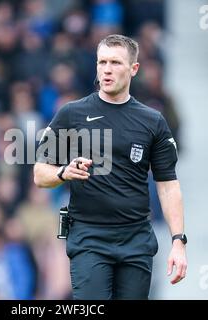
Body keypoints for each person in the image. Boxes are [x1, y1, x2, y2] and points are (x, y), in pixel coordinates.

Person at [33, 34, 187, 300]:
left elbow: (168, 185)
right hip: (88, 238)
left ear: (133, 69)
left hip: (136, 239)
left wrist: (178, 242)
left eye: (115, 62)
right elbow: (39, 173)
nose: (106, 69)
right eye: (101, 62)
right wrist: (62, 172)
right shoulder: (71, 114)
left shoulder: (153, 122)